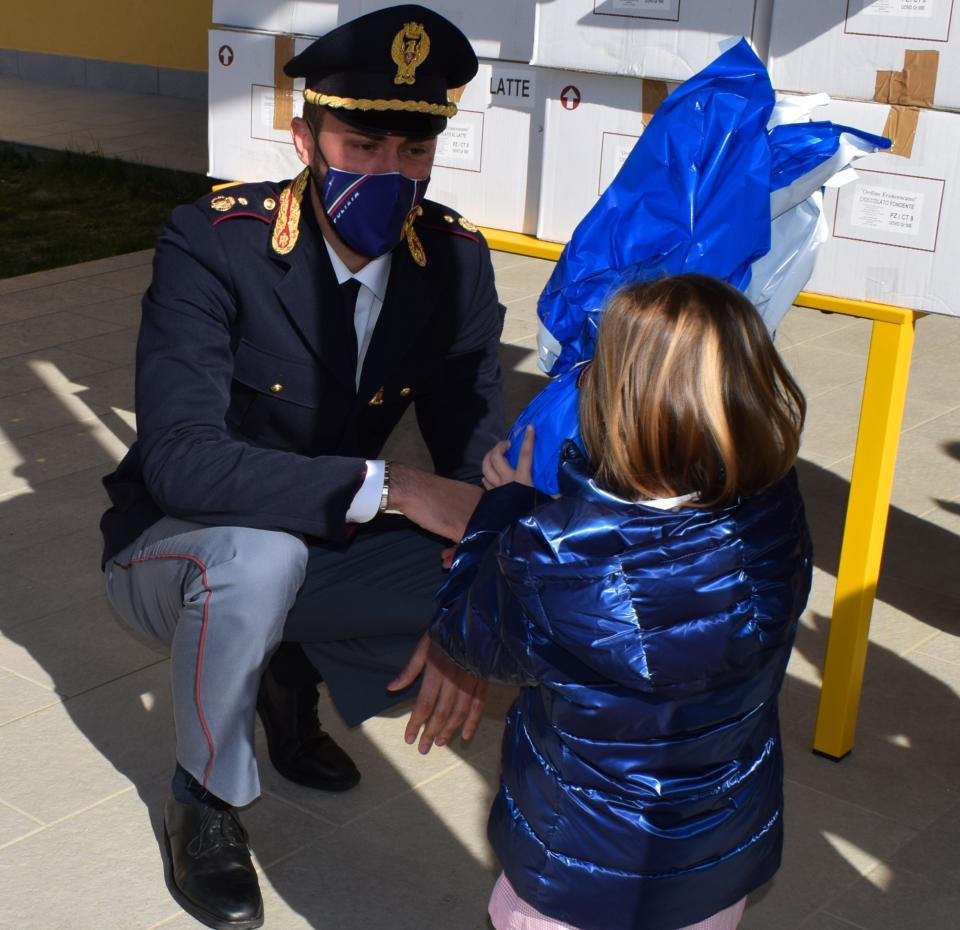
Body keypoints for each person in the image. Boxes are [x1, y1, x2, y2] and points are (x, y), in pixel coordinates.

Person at [99, 6, 504, 929]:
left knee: (515, 563)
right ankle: (203, 803)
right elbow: (181, 461)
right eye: (361, 144)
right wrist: (397, 486)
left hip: (326, 539)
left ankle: (289, 670)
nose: (388, 174)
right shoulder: (215, 243)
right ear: (304, 137)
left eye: (413, 152)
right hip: (176, 547)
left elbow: (477, 445)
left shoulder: (451, 261)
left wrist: (475, 609)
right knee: (260, 560)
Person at [421, 275, 813, 930]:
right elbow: (654, 527)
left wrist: (508, 505)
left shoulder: (557, 560)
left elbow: (465, 632)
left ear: (612, 401)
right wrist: (565, 493)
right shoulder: (774, 512)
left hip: (579, 874)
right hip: (715, 861)